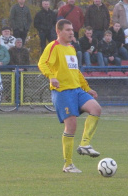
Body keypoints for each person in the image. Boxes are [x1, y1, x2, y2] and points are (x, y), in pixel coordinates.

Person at [38, 19, 102, 173]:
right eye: (67, 30)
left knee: (96, 109)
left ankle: (85, 144)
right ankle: (68, 164)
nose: (71, 32)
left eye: (72, 29)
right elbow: (42, 63)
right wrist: (51, 76)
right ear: (59, 31)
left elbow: (76, 71)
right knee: (71, 126)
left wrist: (87, 88)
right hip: (63, 92)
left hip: (77, 90)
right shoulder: (53, 46)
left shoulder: (72, 48)